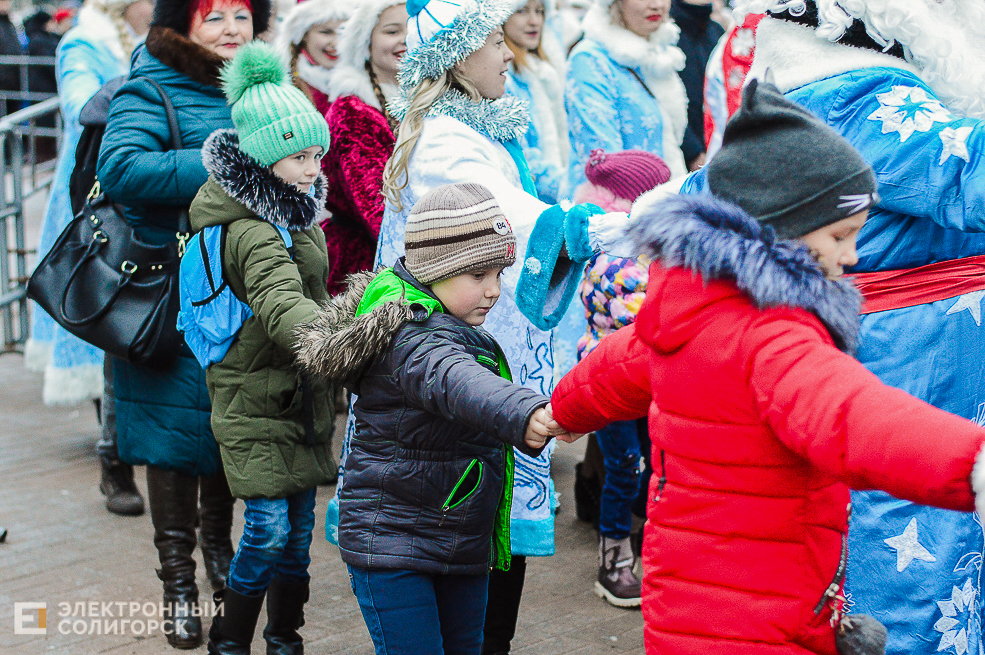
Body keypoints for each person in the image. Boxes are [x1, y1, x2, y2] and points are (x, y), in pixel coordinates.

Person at [551, 79, 985, 655]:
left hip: (683, 607)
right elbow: (853, 416)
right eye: (840, 236)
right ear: (786, 229)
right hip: (759, 621)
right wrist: (971, 466)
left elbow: (613, 369)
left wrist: (556, 413)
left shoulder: (687, 310)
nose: (852, 257)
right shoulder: (773, 340)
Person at [361, 1, 633, 651]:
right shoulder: (447, 142)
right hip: (454, 375)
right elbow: (507, 219)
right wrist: (621, 225)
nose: (508, 51)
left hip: (486, 366)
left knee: (487, 529)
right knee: (468, 532)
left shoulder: (483, 126)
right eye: (491, 42)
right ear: (457, 56)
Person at [722, 2, 985, 652]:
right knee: (908, 584)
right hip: (910, 372)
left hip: (910, 368)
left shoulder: (809, 93)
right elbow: (961, 172)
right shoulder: (862, 90)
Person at [296, 182, 568, 655]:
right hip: (392, 545)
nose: (493, 291)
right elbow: (459, 381)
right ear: (435, 270)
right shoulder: (412, 335)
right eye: (478, 275)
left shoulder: (451, 323)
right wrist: (524, 412)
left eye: (499, 274)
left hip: (455, 535)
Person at [95, 0, 272, 646]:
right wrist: (222, 163)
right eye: (213, 15)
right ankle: (176, 582)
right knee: (171, 440)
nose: (231, 30)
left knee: (225, 430)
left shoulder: (263, 87)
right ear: (182, 23)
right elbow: (119, 168)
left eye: (241, 16)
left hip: (241, 294)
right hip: (165, 296)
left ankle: (220, 555)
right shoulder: (148, 82)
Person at [189, 41, 336, 655]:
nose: (312, 168)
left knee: (296, 539)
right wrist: (335, 340)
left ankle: (285, 639)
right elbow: (281, 301)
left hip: (295, 396)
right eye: (299, 156)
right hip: (255, 398)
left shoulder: (288, 213)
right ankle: (230, 640)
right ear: (264, 157)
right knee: (270, 533)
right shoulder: (252, 229)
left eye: (316, 155)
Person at [27, 0, 154, 516]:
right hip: (102, 199)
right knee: (112, 318)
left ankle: (141, 444)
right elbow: (80, 104)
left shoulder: (156, 43)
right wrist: (140, 105)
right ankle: (114, 459)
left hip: (150, 195)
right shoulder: (85, 42)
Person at [571, 148, 670, 608]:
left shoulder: (655, 255)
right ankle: (613, 558)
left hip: (650, 382)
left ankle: (647, 544)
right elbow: (648, 323)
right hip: (613, 380)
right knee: (627, 467)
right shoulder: (614, 262)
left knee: (654, 464)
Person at [321, 0, 406, 295]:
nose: (404, 40)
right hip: (361, 270)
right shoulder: (351, 111)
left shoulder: (422, 98)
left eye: (412, 29)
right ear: (364, 41)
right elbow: (376, 210)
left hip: (407, 260)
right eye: (392, 31)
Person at [565, 0, 688, 192]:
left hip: (665, 201)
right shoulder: (589, 59)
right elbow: (604, 161)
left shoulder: (659, 54)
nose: (656, 5)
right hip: (614, 210)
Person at [503, 0, 567, 204]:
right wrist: (570, 187)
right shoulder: (504, 79)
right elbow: (522, 156)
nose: (534, 21)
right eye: (522, 11)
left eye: (540, 11)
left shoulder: (544, 71)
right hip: (533, 203)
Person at [669, 0, 724, 169]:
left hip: (721, 147)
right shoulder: (668, 33)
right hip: (681, 151)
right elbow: (664, 97)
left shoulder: (716, 30)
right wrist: (693, 152)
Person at [276, 0, 349, 112]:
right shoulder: (283, 88)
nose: (336, 43)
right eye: (326, 32)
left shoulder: (368, 82)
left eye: (343, 32)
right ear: (304, 34)